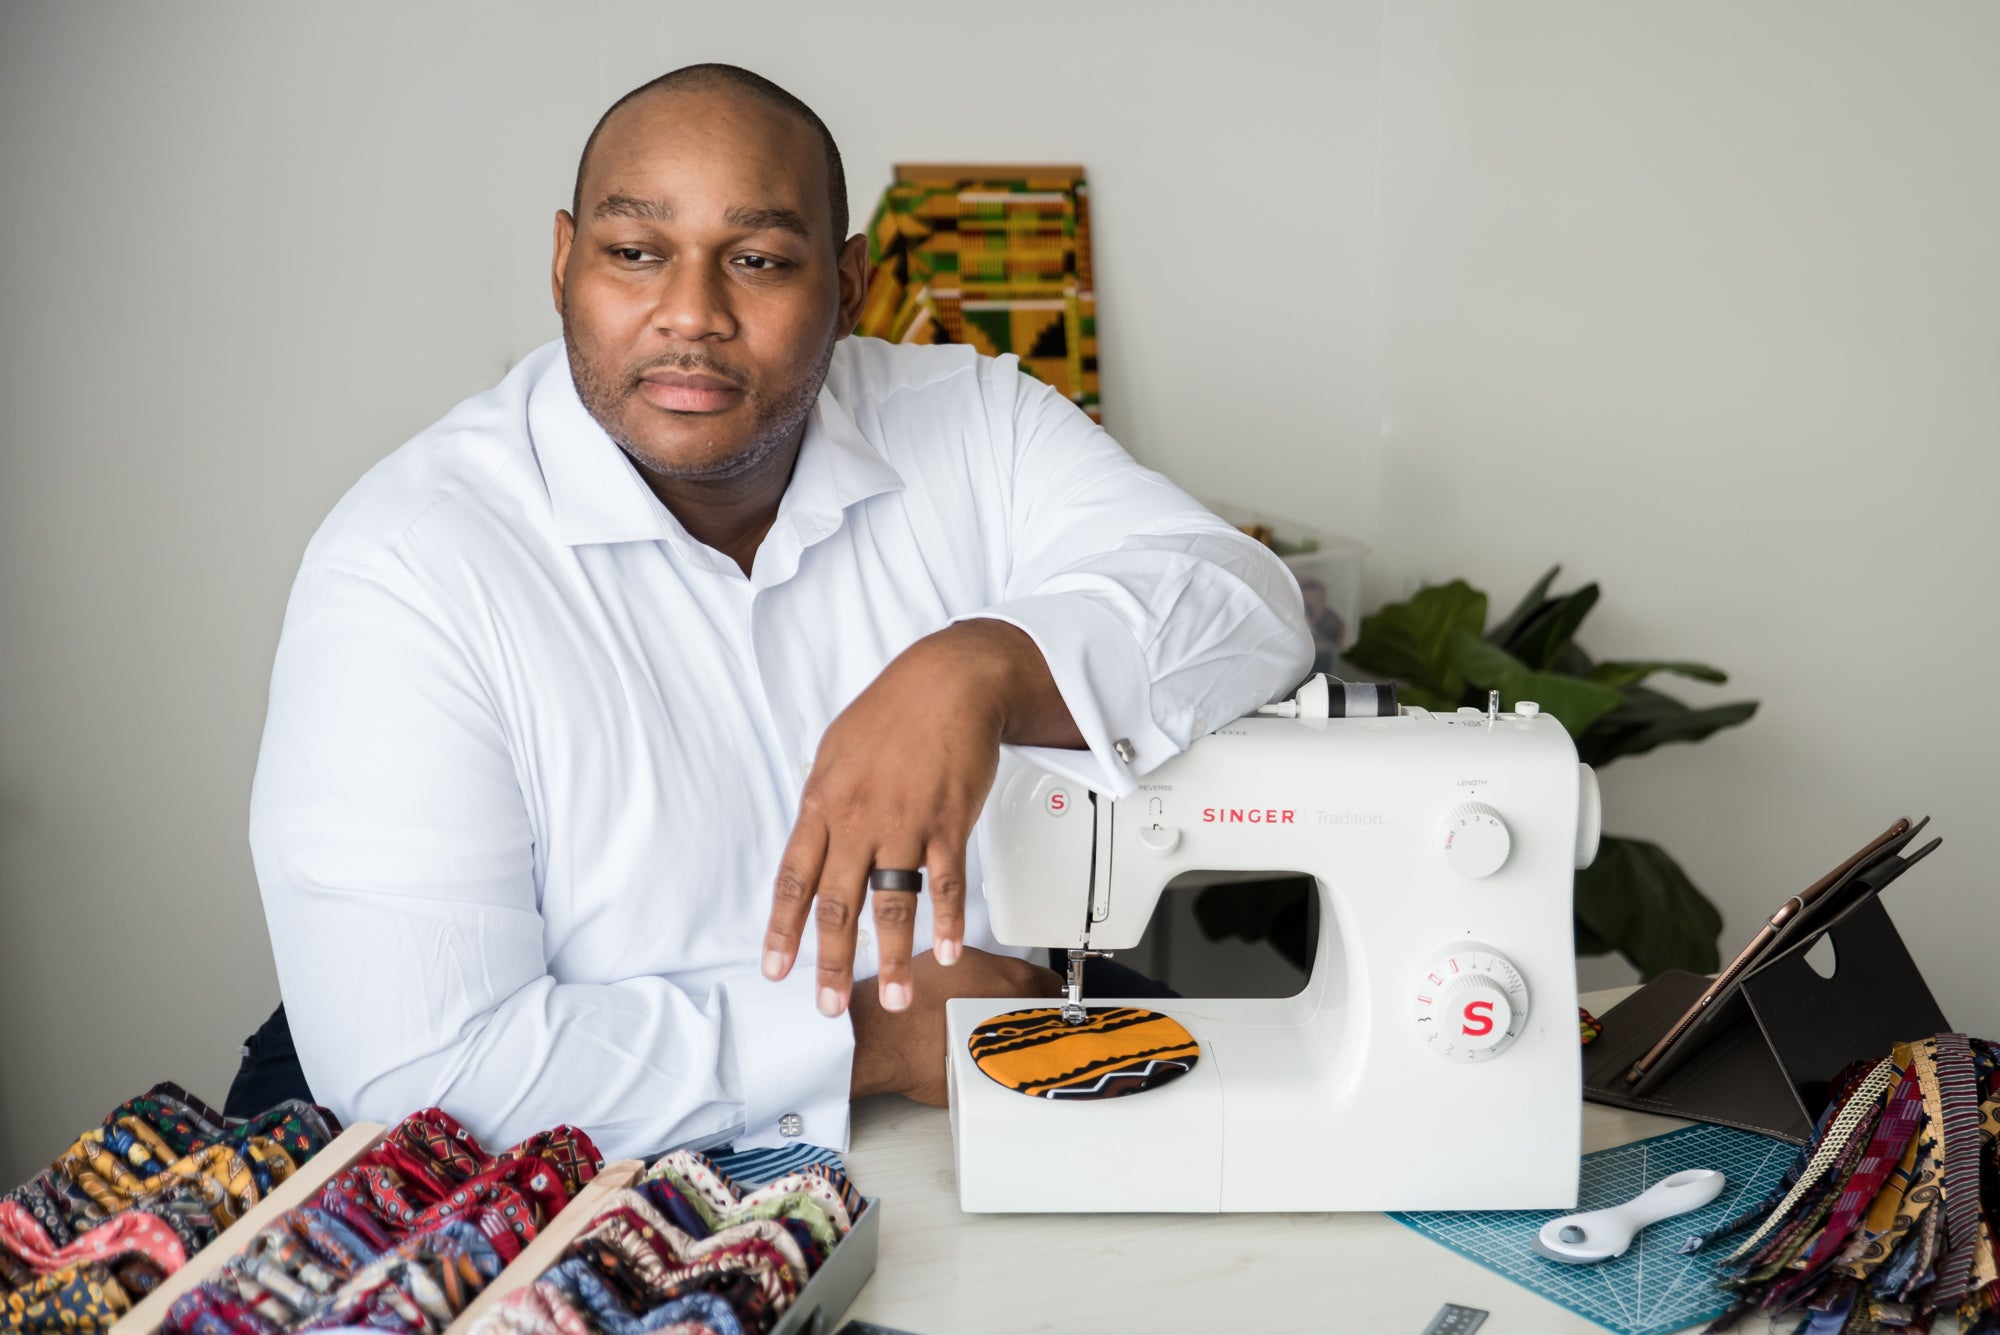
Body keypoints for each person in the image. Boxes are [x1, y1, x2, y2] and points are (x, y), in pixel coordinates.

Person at [237, 64, 1312, 1158]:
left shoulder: (975, 423)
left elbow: (1246, 601)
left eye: (757, 261)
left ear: (845, 282)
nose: (691, 314)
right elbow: (426, 1076)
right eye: (634, 253)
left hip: (955, 1076)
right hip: (591, 1150)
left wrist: (981, 668)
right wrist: (871, 1039)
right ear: (564, 263)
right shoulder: (409, 566)